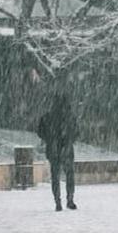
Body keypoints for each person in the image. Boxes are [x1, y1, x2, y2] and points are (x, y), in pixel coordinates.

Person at [35, 80, 78, 211]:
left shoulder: (47, 117)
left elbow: (40, 131)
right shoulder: (70, 117)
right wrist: (69, 140)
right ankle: (70, 199)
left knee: (55, 175)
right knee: (69, 174)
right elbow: (76, 132)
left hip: (53, 148)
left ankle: (57, 201)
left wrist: (49, 139)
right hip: (66, 148)